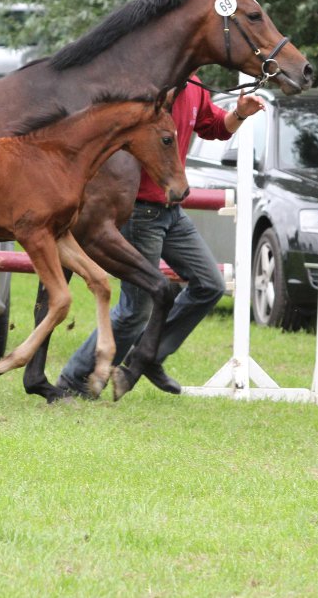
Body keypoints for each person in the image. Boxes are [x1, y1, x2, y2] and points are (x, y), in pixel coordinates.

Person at [56, 80, 266, 397]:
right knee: (135, 310)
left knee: (210, 284)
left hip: (173, 213)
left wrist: (239, 112)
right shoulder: (150, 88)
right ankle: (73, 381)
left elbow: (215, 127)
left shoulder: (196, 88)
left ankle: (149, 353)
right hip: (140, 211)